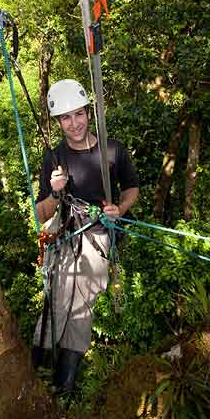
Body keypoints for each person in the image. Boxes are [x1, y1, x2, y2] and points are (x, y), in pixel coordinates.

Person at [32, 79, 139, 394]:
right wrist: (54, 191)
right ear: (59, 122)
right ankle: (35, 372)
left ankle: (64, 385)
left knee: (81, 306)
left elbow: (132, 187)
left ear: (88, 114)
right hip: (66, 234)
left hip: (99, 237)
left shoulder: (112, 149)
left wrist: (120, 206)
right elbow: (42, 214)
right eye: (66, 118)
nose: (74, 124)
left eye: (78, 114)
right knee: (59, 301)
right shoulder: (54, 158)